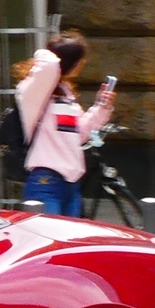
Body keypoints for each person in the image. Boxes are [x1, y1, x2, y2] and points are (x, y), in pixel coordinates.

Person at [14, 32, 114, 218]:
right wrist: (48, 50)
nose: (82, 65)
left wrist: (101, 106)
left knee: (66, 244)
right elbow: (49, 66)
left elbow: (81, 134)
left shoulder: (65, 95)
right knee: (47, 241)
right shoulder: (32, 92)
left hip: (71, 184)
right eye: (80, 60)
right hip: (45, 182)